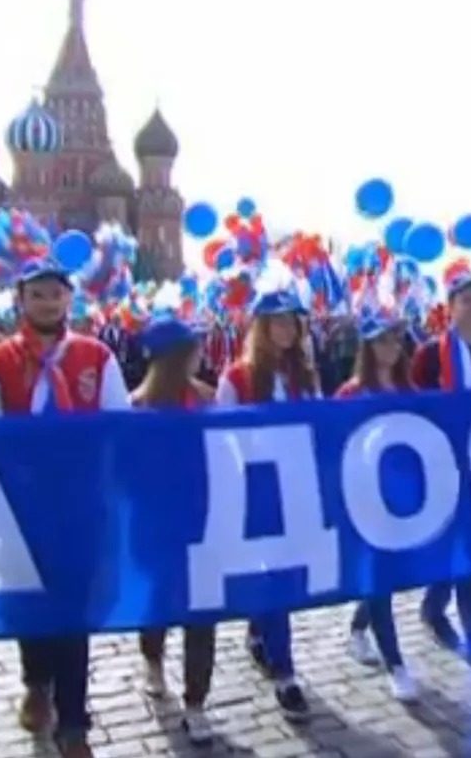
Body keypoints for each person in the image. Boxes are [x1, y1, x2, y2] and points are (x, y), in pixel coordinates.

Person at [0, 258, 130, 758]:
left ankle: (73, 721)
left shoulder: (96, 356)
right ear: (21, 300)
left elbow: (118, 427)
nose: (47, 303)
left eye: (55, 294)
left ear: (69, 300)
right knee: (30, 603)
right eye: (37, 294)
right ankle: (36, 680)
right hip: (20, 509)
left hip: (80, 507)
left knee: (73, 611)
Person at [215, 290, 317, 720]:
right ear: (261, 327)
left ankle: (260, 627)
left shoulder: (304, 375)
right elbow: (221, 438)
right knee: (274, 575)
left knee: (285, 575)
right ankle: (285, 673)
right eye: (277, 321)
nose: (286, 330)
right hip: (256, 491)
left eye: (292, 322)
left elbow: (318, 425)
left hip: (296, 487)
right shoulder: (237, 377)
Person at [410, 270, 471, 677]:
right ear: (450, 307)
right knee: (467, 557)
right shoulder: (431, 354)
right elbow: (415, 410)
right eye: (466, 300)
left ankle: (433, 606)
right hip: (444, 466)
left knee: (464, 551)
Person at [130, 316, 218, 746]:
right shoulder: (136, 407)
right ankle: (153, 659)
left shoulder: (206, 399)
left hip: (203, 521)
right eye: (193, 348)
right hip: (154, 524)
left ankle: (196, 703)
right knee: (158, 602)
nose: (201, 354)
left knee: (203, 614)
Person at [334, 311, 420, 701]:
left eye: (396, 339)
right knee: (380, 576)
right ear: (368, 346)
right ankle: (395, 664)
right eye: (384, 340)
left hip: (404, 500)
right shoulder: (351, 393)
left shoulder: (408, 390)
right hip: (366, 501)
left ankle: (357, 628)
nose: (392, 347)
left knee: (392, 575)